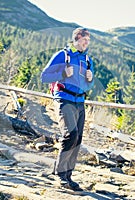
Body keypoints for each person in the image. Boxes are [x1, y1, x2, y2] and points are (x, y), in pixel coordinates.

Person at [41, 27, 94, 191]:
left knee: (77, 139)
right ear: (77, 38)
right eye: (85, 40)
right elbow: (44, 77)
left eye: (88, 41)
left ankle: (68, 176)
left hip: (80, 102)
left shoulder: (87, 59)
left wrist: (90, 79)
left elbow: (88, 84)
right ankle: (60, 174)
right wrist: (63, 74)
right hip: (64, 99)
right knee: (70, 134)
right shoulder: (62, 55)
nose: (87, 43)